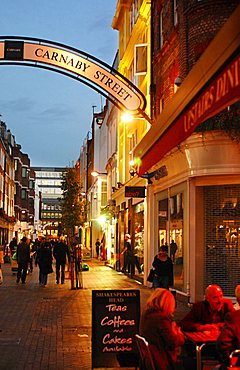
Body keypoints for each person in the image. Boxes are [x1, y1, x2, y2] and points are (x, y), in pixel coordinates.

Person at [180, 284, 234, 370]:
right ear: (207, 299)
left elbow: (233, 322)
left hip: (221, 344)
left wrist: (217, 326)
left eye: (221, 296)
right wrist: (202, 327)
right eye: (215, 297)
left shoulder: (227, 305)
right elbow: (184, 323)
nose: (219, 300)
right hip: (204, 345)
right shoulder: (199, 307)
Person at [140, 288, 185, 370]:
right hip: (162, 360)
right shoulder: (161, 319)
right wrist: (178, 333)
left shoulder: (146, 314)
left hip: (150, 359)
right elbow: (173, 342)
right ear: (167, 304)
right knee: (190, 361)